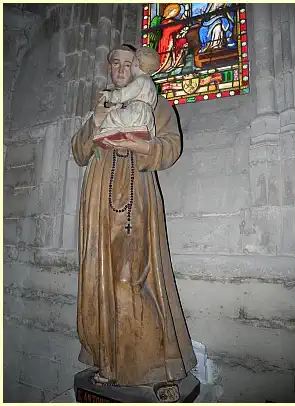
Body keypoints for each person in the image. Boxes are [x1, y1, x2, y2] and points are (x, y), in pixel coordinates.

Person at [71, 44, 196, 388]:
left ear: (138, 68)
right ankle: (109, 363)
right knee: (101, 278)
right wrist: (95, 121)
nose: (122, 68)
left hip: (136, 193)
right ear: (110, 68)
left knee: (134, 277)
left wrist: (143, 147)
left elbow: (171, 145)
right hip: (98, 198)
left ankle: (156, 366)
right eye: (116, 63)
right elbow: (80, 152)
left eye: (129, 63)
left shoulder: (153, 101)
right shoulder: (103, 105)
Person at [98, 47, 160, 139]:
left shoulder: (140, 81)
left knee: (112, 117)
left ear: (136, 65)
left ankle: (104, 133)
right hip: (147, 118)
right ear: (109, 68)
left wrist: (109, 96)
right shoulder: (150, 84)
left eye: (128, 65)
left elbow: (124, 94)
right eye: (116, 64)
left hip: (136, 112)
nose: (121, 71)